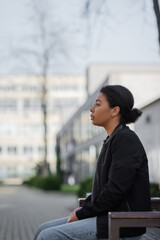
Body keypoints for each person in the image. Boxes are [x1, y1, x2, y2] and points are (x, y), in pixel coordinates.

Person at [33, 85, 151, 240]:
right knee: (42, 229)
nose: (91, 109)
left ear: (114, 111)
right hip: (106, 216)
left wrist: (82, 213)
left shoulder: (125, 140)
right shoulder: (112, 139)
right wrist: (81, 210)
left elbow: (114, 190)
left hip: (121, 223)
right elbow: (102, 190)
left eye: (98, 104)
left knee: (48, 236)